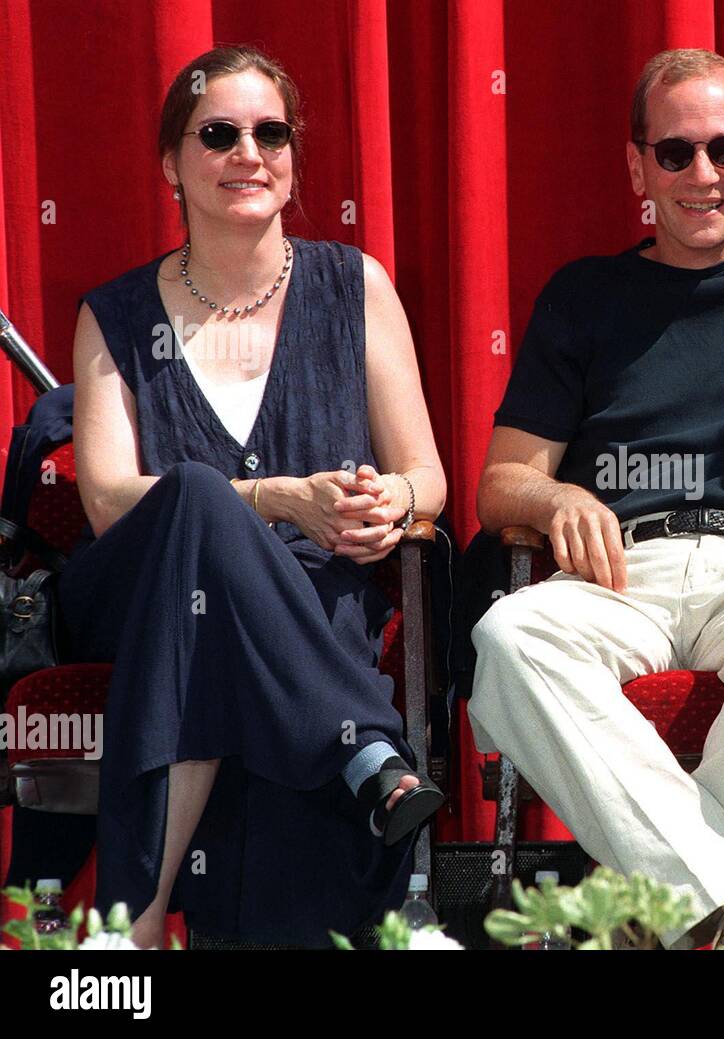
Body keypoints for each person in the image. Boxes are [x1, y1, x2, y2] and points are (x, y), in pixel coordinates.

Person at [467, 48, 724, 950]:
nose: (705, 175)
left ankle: (659, 910)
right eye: (675, 154)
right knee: (508, 639)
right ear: (637, 167)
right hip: (624, 568)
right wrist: (552, 502)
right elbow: (499, 481)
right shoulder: (586, 295)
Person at [62, 45, 447, 949]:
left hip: (307, 605)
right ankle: (360, 743)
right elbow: (113, 503)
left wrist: (390, 496)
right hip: (141, 595)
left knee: (202, 649)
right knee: (194, 500)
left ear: (294, 154)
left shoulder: (355, 286)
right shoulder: (114, 314)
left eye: (270, 132)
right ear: (171, 164)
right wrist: (273, 498)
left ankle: (131, 928)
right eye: (219, 134)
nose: (249, 152)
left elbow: (427, 473)